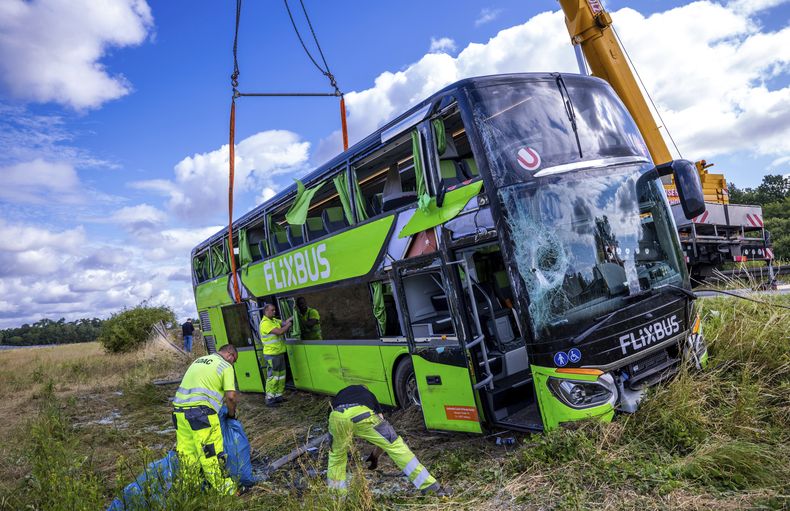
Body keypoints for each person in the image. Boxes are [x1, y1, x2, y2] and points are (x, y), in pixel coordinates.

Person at [326, 385, 444, 495]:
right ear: (364, 389)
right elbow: (383, 431)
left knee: (336, 457)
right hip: (362, 413)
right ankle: (429, 486)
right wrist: (375, 456)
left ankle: (336, 499)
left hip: (337, 417)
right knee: (395, 446)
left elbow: (331, 420)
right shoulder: (369, 395)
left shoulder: (340, 395)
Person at [172, 344, 239, 494]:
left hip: (179, 413)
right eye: (234, 361)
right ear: (230, 355)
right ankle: (227, 491)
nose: (232, 364)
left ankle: (192, 491)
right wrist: (231, 414)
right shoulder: (225, 366)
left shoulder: (199, 360)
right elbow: (231, 396)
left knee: (187, 454)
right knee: (211, 453)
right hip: (201, 415)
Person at [258, 303, 292, 407]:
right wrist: (288, 325)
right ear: (266, 311)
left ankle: (278, 396)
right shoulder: (265, 323)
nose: (274, 312)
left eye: (274, 310)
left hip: (278, 353)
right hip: (272, 355)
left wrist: (292, 317)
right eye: (272, 310)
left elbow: (284, 322)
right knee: (273, 377)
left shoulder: (274, 320)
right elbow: (280, 331)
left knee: (281, 376)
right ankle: (269, 399)